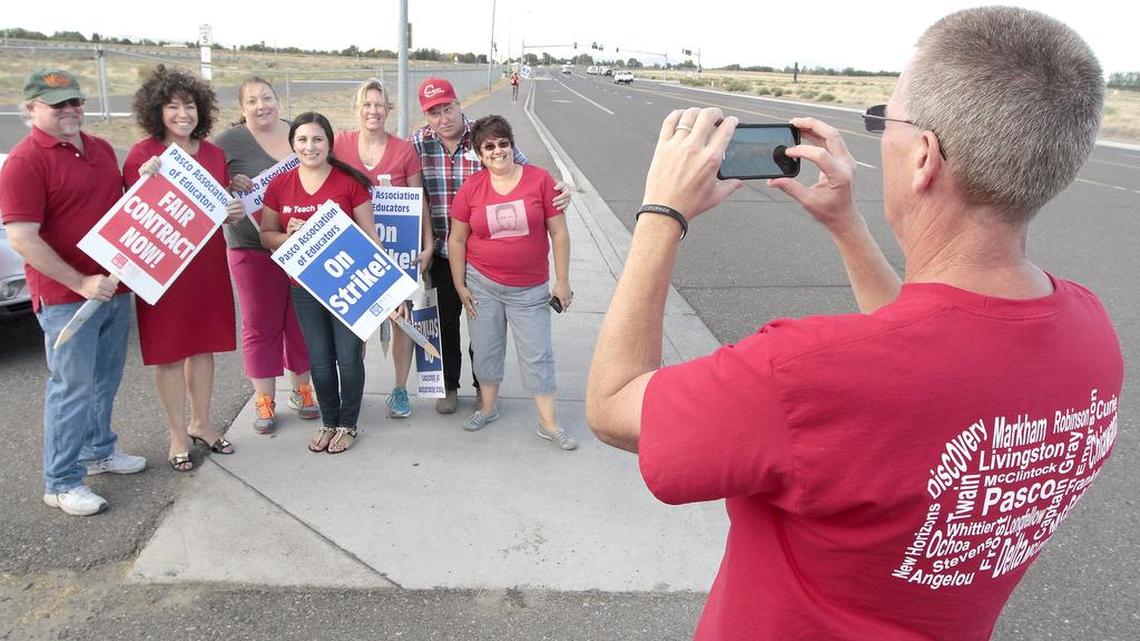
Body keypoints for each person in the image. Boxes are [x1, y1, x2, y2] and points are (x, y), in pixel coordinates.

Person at [586, 7, 1120, 641]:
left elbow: (613, 405)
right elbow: (924, 353)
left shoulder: (802, 375)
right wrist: (847, 225)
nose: (878, 135)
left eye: (884, 120)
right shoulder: (1092, 338)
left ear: (923, 157)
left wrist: (660, 211)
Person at [0, 68, 146, 515]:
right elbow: (23, 237)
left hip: (113, 287)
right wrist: (79, 282)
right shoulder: (26, 161)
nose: (70, 111)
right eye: (57, 104)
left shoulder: (99, 148)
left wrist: (150, 178)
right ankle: (60, 480)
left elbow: (125, 206)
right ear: (31, 110)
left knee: (104, 381)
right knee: (71, 387)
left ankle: (99, 449)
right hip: (68, 299)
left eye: (75, 102)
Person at [410, 77, 571, 415]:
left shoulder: (484, 138)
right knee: (445, 322)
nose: (443, 118)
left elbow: (525, 173)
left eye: (448, 108)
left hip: (481, 256)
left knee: (481, 330)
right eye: (434, 113)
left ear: (459, 104)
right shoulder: (417, 144)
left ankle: (482, 391)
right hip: (441, 247)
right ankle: (448, 386)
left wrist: (561, 190)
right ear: (426, 116)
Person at [122, 65, 245, 472]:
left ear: (201, 110)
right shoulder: (143, 155)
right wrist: (142, 181)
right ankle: (177, 433)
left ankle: (202, 424)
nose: (182, 114)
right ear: (157, 110)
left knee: (203, 347)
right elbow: (129, 213)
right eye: (172, 106)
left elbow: (217, 207)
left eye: (189, 106)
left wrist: (231, 210)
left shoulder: (212, 154)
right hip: (162, 266)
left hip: (206, 265)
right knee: (170, 354)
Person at [261, 112, 392, 454]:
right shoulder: (280, 185)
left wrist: (386, 287)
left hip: (348, 285)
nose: (310, 146)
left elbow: (371, 238)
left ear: (329, 143)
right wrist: (285, 237)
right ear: (293, 144)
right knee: (318, 359)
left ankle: (348, 423)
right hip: (304, 286)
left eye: (317, 139)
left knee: (348, 358)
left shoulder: (349, 184)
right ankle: (329, 421)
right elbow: (265, 236)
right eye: (302, 140)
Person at [448, 115, 576, 450]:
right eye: (489, 146)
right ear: (479, 153)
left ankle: (549, 423)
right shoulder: (471, 188)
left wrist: (563, 282)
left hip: (530, 289)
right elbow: (457, 239)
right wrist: (460, 285)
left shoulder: (540, 180)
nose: (497, 150)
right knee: (486, 349)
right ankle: (487, 408)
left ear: (511, 145)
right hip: (482, 285)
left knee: (537, 354)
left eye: (503, 143)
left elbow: (559, 233)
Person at [214, 77, 319, 435]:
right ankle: (264, 399)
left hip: (300, 248)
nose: (262, 106)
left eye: (267, 98)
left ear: (278, 100)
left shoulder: (297, 132)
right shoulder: (230, 141)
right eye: (253, 101)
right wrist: (229, 182)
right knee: (261, 324)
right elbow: (206, 179)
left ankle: (302, 391)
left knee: (300, 322)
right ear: (242, 109)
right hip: (250, 248)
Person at [334, 78, 433, 419]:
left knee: (401, 318)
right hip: (354, 249)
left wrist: (428, 242)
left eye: (379, 104)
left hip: (397, 247)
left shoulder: (404, 149)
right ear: (357, 109)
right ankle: (353, 389)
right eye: (367, 104)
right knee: (357, 324)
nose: (373, 110)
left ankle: (400, 389)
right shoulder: (339, 144)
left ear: (388, 110)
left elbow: (419, 200)